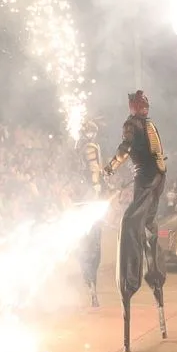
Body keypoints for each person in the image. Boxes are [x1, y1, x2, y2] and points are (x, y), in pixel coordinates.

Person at [103, 89, 168, 352]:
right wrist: (113, 165)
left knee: (133, 223)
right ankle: (143, 278)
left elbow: (126, 150)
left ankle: (138, 278)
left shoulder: (138, 124)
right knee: (141, 225)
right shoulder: (140, 124)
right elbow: (129, 150)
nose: (145, 106)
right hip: (152, 180)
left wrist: (111, 166)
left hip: (151, 180)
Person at [79, 120, 105, 306]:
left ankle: (91, 285)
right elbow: (94, 168)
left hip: (87, 195)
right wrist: (96, 185)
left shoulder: (81, 146)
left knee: (91, 248)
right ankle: (91, 285)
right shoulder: (89, 147)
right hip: (89, 195)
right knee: (91, 246)